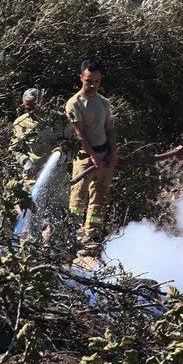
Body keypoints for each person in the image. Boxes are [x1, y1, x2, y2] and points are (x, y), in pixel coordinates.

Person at [65, 60, 118, 250]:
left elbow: (110, 129)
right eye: (89, 81)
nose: (93, 85)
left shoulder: (103, 102)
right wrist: (93, 156)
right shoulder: (74, 104)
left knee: (101, 195)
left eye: (96, 81)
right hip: (84, 157)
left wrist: (113, 153)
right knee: (78, 196)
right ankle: (70, 233)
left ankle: (92, 235)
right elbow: (79, 134)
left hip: (104, 154)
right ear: (81, 78)